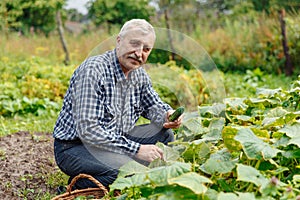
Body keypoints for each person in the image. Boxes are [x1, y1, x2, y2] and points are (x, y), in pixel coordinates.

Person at [53, 19, 183, 190]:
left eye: (146, 49)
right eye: (134, 44)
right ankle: (79, 184)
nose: (139, 53)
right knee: (126, 170)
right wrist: (137, 149)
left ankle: (131, 173)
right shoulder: (93, 71)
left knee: (165, 135)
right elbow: (89, 131)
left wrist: (167, 114)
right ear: (119, 41)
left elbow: (153, 105)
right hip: (75, 148)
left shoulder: (139, 75)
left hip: (113, 140)